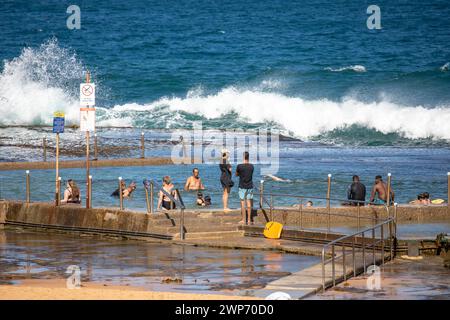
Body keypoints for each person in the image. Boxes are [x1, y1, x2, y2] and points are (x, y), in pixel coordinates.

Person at [236, 151, 254, 225]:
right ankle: (249, 220)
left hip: (242, 186)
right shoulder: (252, 166)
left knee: (242, 203)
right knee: (249, 203)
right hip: (250, 186)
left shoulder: (239, 166)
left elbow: (237, 174)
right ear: (248, 157)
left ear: (243, 157)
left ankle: (244, 220)